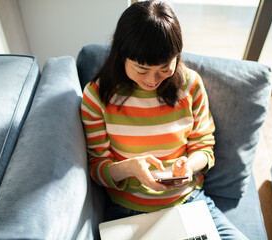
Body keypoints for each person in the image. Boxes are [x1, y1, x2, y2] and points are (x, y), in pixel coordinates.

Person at [81, 1, 248, 239]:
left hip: (189, 201)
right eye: (141, 69)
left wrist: (189, 167)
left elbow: (204, 146)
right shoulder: (97, 96)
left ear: (177, 57)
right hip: (128, 212)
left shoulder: (190, 85)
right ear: (121, 56)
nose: (153, 80)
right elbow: (97, 167)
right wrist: (130, 168)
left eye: (164, 68)